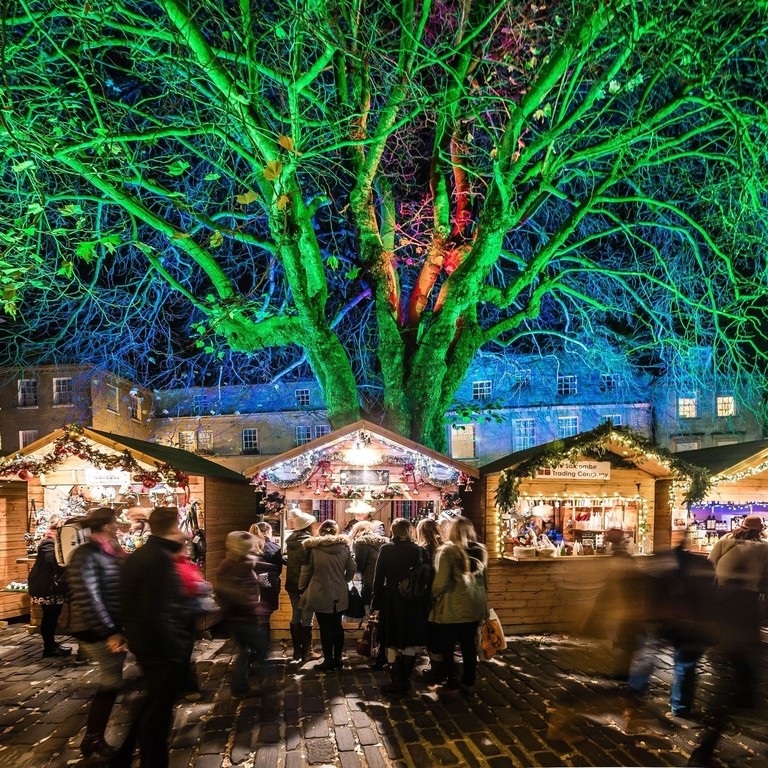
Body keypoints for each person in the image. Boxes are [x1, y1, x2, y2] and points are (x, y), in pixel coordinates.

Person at [114, 507, 197, 768]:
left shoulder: (143, 555)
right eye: (179, 527)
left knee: (154, 704)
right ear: (173, 527)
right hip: (159, 647)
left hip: (147, 642)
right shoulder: (158, 559)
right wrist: (176, 649)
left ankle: (123, 755)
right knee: (157, 713)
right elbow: (156, 611)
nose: (183, 533)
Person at [688, 514, 768, 767]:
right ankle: (741, 701)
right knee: (740, 673)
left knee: (728, 676)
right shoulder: (764, 548)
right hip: (746, 611)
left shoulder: (725, 541)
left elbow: (709, 565)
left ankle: (708, 742)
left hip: (722, 608)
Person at [67, 507, 127, 759]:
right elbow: (89, 597)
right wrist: (109, 631)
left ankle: (94, 737)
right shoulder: (85, 555)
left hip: (111, 626)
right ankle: (93, 738)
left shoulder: (107, 551)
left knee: (113, 679)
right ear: (106, 526)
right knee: (111, 680)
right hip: (96, 629)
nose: (119, 526)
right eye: (116, 522)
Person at [371, 518, 430, 696]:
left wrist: (375, 603)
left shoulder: (386, 549)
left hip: (391, 599)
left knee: (391, 641)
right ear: (410, 530)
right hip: (413, 601)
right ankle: (406, 679)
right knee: (409, 641)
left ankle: (397, 682)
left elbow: (378, 578)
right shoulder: (419, 550)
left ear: (393, 530)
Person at [429, 516, 488, 695]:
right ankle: (469, 682)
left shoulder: (447, 551)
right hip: (474, 605)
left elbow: (440, 583)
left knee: (447, 647)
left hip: (452, 607)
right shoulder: (481, 551)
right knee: (469, 646)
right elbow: (484, 582)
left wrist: (433, 595)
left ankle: (452, 682)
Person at [298, 519, 356, 671]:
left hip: (320, 590)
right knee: (337, 625)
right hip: (339, 591)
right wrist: (344, 580)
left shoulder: (314, 548)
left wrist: (302, 587)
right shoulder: (344, 547)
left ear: (321, 531)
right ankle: (338, 658)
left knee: (325, 627)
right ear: (336, 531)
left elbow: (306, 570)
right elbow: (352, 568)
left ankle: (328, 659)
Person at [215, 531, 262, 699]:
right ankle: (240, 688)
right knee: (248, 650)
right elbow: (239, 593)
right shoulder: (240, 565)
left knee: (246, 650)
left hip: (236, 615)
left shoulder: (232, 564)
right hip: (241, 616)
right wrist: (250, 603)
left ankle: (241, 685)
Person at [27, 519, 71, 659]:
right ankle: (49, 648)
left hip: (51, 586)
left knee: (52, 615)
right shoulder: (49, 543)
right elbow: (50, 562)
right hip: (46, 586)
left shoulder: (56, 542)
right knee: (49, 616)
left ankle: (51, 644)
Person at [284, 509, 320, 662]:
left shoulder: (290, 541)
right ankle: (307, 652)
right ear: (308, 527)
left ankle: (297, 651)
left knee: (296, 614)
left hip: (292, 584)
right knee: (307, 617)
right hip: (307, 584)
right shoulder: (310, 543)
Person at [250, 522, 283, 678]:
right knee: (264, 620)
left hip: (251, 587)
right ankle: (262, 652)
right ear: (267, 532)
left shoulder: (247, 546)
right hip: (269, 586)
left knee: (253, 619)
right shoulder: (273, 548)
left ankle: (252, 650)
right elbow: (279, 569)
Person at [415, 518, 443, 682]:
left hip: (428, 595)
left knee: (432, 633)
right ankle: (442, 666)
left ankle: (437, 669)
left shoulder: (422, 549)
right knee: (440, 631)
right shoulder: (443, 548)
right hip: (442, 594)